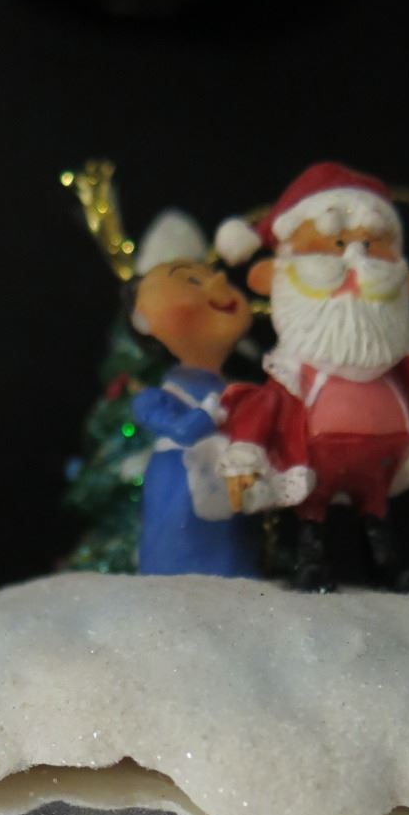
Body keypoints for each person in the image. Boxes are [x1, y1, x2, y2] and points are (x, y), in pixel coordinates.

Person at [213, 162, 409, 591]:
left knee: (377, 513)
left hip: (383, 460)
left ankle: (384, 563)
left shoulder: (402, 350)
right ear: (273, 277)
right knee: (312, 510)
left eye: (371, 245)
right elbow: (267, 405)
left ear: (406, 280)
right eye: (334, 245)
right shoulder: (292, 367)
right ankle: (311, 558)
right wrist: (247, 451)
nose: (355, 259)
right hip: (314, 454)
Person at [128, 211, 262, 578]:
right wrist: (210, 414)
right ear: (143, 320)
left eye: (209, 274)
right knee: (180, 565)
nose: (217, 282)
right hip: (181, 491)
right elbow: (183, 429)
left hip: (232, 500)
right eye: (191, 280)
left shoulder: (241, 389)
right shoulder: (153, 398)